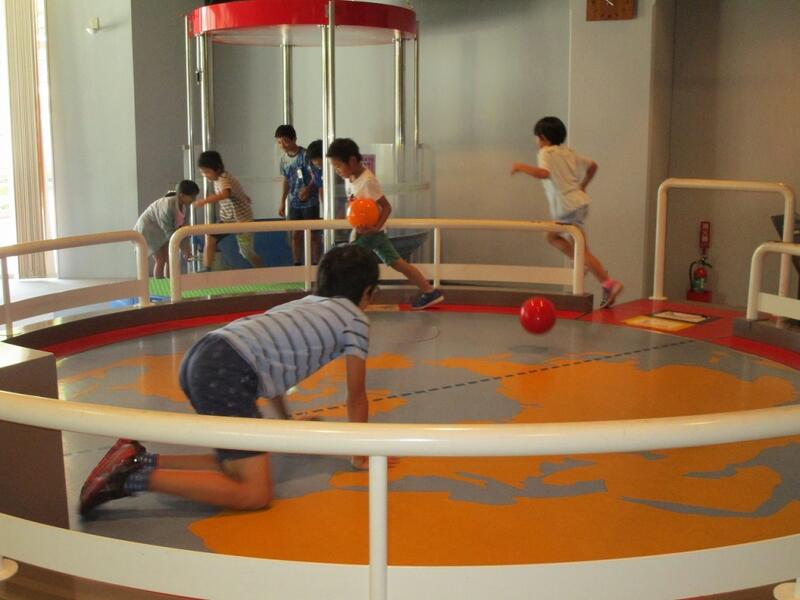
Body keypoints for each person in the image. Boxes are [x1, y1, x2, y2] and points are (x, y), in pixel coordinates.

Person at [79, 243, 380, 515]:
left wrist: (287, 422)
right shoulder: (354, 319)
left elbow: (270, 361)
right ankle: (130, 478)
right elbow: (355, 397)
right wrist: (360, 454)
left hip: (205, 355)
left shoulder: (304, 304)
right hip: (228, 369)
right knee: (254, 493)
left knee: (236, 462)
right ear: (367, 291)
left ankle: (136, 460)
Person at [511, 116, 623, 308]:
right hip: (578, 203)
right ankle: (592, 271)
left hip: (566, 207)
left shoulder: (546, 152)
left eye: (537, 137)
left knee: (567, 244)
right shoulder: (568, 152)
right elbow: (593, 166)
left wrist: (520, 167)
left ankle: (606, 281)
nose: (536, 141)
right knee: (559, 239)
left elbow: (543, 173)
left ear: (543, 137)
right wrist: (583, 185)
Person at [326, 138, 445, 310]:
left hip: (369, 234)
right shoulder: (351, 178)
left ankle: (351, 299)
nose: (337, 171)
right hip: (372, 234)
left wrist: (375, 228)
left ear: (352, 160)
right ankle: (429, 291)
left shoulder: (368, 181)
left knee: (349, 263)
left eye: (338, 166)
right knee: (398, 263)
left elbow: (386, 207)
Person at [194, 150, 262, 271]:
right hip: (228, 219)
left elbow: (225, 194)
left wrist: (204, 201)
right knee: (210, 237)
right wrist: (244, 196)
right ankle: (207, 268)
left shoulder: (223, 178)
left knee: (246, 252)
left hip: (242, 220)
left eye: (207, 172)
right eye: (202, 172)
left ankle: (261, 270)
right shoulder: (221, 178)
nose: (205, 175)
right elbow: (236, 189)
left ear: (218, 168)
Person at [276, 125, 322, 265]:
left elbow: (317, 176)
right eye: (279, 142)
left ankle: (316, 263)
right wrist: (282, 202)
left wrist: (308, 189)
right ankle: (296, 264)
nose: (283, 145)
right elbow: (286, 180)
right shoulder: (283, 159)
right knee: (296, 234)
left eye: (285, 141)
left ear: (294, 139)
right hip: (294, 202)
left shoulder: (306, 155)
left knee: (313, 234)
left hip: (310, 202)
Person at [133, 180, 199, 278]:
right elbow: (168, 231)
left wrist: (186, 247)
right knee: (160, 259)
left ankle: (170, 282)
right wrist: (183, 247)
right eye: (192, 197)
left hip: (162, 230)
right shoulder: (167, 205)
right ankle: (159, 283)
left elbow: (184, 230)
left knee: (169, 258)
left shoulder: (186, 207)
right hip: (148, 229)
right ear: (182, 195)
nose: (194, 199)